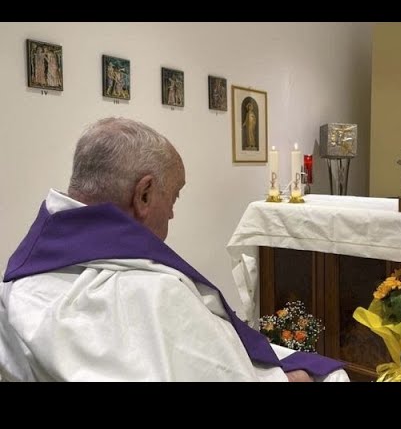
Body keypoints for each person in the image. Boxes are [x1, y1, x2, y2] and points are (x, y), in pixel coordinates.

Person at [0, 117, 348, 382]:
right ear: (145, 194)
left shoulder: (16, 286)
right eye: (174, 196)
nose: (172, 212)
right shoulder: (156, 294)